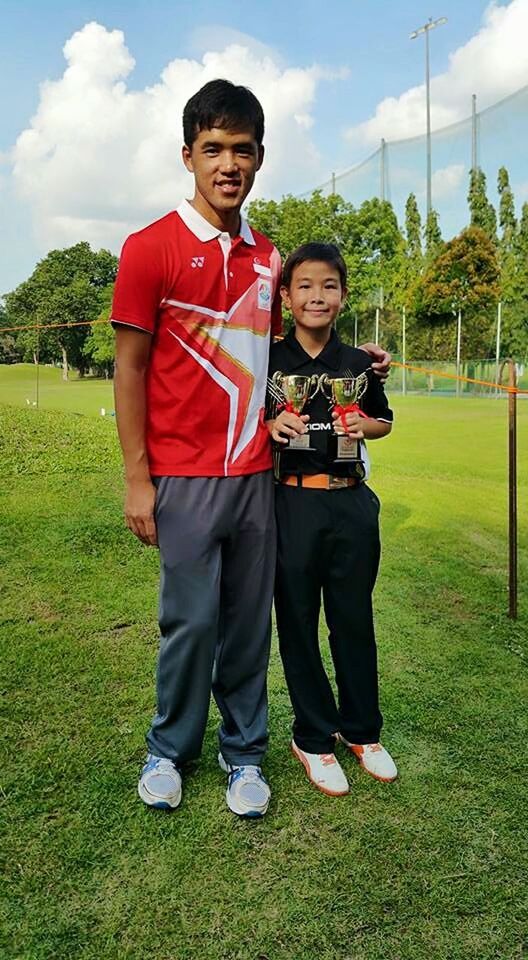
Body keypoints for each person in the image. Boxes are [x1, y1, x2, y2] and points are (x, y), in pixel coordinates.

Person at [111, 79, 391, 818]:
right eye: (212, 149)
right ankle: (169, 749)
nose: (227, 163)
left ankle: (244, 755)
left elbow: (289, 345)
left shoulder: (268, 258)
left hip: (257, 474)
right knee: (191, 622)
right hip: (183, 475)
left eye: (241, 149)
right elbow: (130, 369)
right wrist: (139, 481)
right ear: (188, 156)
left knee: (245, 624)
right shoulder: (149, 249)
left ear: (259, 158)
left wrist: (356, 360)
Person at [267, 242, 397, 797]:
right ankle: (313, 737)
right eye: (304, 286)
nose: (316, 296)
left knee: (353, 618)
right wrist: (270, 430)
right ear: (286, 296)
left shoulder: (359, 364)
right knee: (297, 621)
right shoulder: (270, 361)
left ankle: (362, 730)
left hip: (351, 502)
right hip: (292, 502)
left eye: (328, 286)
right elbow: (248, 423)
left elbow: (384, 421)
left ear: (343, 296)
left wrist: (363, 426)